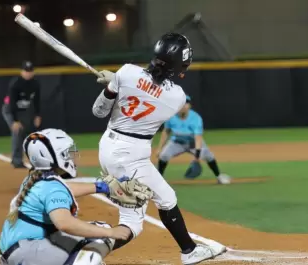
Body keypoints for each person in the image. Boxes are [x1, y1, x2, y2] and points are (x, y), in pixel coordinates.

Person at [92, 33, 226, 264]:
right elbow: (152, 90)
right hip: (130, 156)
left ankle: (189, 250)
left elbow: (99, 112)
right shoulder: (177, 97)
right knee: (139, 218)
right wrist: (119, 83)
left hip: (109, 147)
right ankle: (84, 253)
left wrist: (112, 87)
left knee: (163, 199)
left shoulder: (126, 72)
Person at [0, 128, 152, 265]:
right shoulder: (52, 188)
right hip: (29, 253)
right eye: (66, 153)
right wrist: (111, 233)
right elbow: (65, 223)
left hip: (17, 251)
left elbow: (64, 189)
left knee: (96, 230)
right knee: (101, 236)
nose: (72, 156)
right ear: (53, 157)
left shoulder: (36, 178)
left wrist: (102, 187)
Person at [156, 95, 231, 184]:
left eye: (186, 103)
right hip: (177, 143)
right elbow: (166, 131)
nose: (184, 106)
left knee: (209, 156)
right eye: (181, 104)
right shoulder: (171, 117)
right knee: (164, 155)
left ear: (189, 106)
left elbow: (198, 137)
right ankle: (158, 180)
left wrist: (197, 155)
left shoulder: (195, 118)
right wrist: (160, 148)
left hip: (194, 143)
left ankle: (219, 177)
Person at [2, 61, 42, 168]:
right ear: (21, 72)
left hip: (23, 110)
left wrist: (37, 115)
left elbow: (37, 100)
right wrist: (15, 121)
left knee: (26, 131)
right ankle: (16, 161)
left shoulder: (35, 84)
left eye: (30, 71)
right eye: (26, 71)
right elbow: (12, 103)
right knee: (17, 130)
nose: (28, 73)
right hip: (10, 109)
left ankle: (33, 158)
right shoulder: (15, 83)